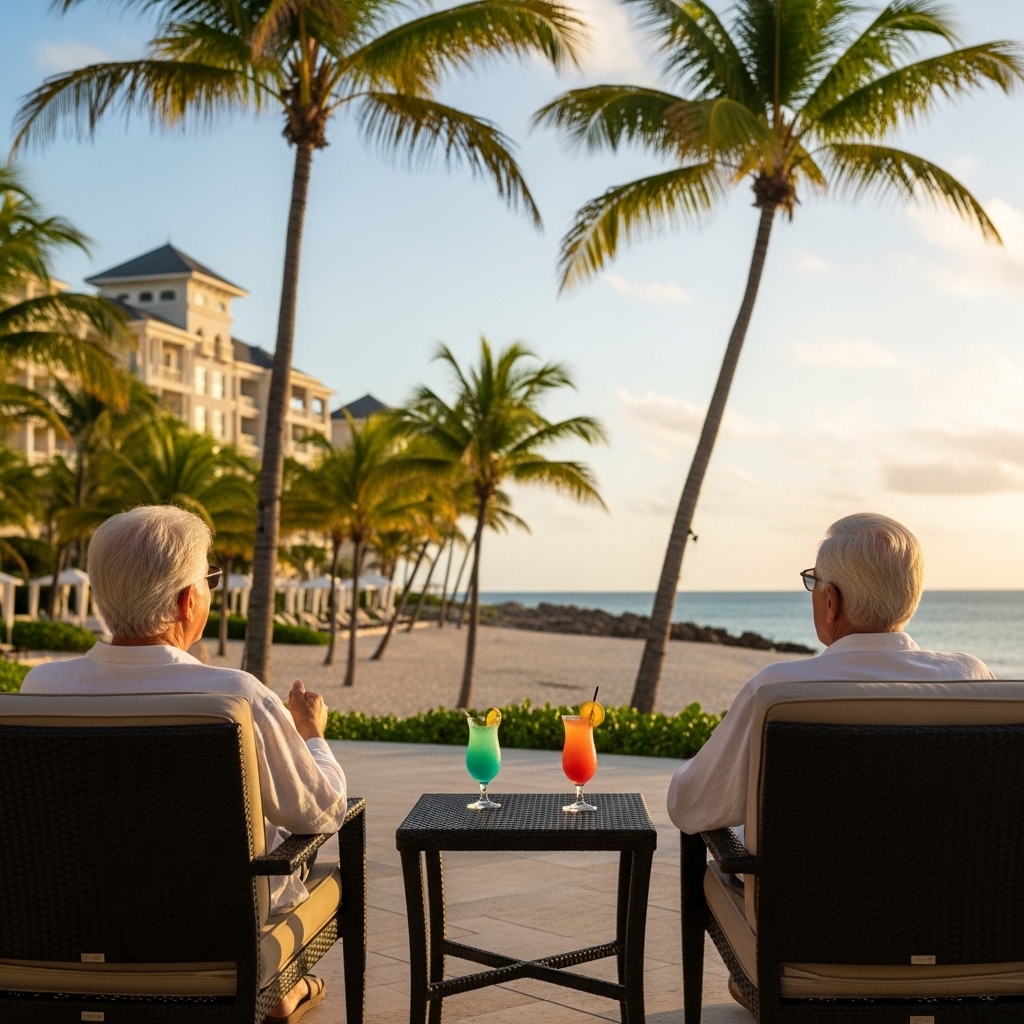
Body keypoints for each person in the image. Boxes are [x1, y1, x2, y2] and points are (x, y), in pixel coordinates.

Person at [22, 505, 345, 1023]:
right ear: (187, 599)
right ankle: (272, 985)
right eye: (209, 580)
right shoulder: (233, 698)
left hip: (70, 932)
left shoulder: (41, 689)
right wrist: (311, 736)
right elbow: (322, 812)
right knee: (316, 864)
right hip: (212, 941)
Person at [666, 512, 995, 1011]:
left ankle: (773, 991)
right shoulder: (970, 679)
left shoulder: (778, 691)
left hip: (811, 952)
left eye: (814, 584)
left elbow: (690, 807)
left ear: (830, 599)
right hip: (967, 944)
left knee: (717, 866)